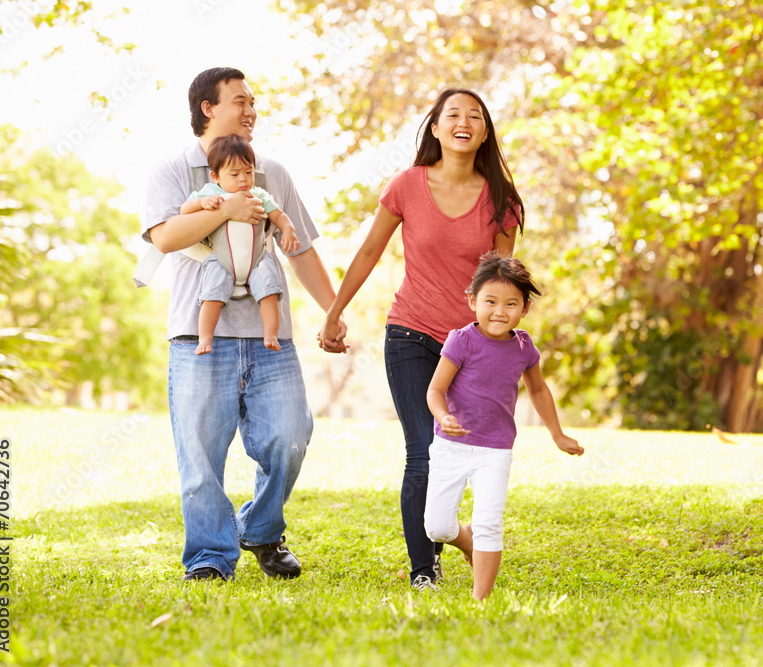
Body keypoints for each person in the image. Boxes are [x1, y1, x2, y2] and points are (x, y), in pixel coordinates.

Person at [142, 67, 347, 583]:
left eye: (254, 101)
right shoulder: (172, 169)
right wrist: (228, 207)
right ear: (208, 107)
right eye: (240, 101)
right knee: (201, 458)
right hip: (198, 335)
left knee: (290, 437)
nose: (251, 110)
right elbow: (165, 239)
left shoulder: (269, 171)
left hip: (268, 337)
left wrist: (333, 310)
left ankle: (259, 529)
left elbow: (299, 249)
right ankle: (210, 557)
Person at [318, 89, 521, 590]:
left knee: (456, 450)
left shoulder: (502, 201)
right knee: (423, 449)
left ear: (485, 132)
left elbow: (501, 281)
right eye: (453, 114)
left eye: (475, 116)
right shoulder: (407, 185)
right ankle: (423, 569)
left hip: (469, 347)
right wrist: (334, 312)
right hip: (410, 332)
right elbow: (368, 252)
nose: (464, 122)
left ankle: (460, 537)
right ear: (435, 128)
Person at [423, 252, 584, 600]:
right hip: (451, 446)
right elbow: (435, 390)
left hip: (495, 449)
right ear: (472, 301)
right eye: (491, 301)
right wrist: (443, 416)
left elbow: (538, 389)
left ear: (524, 308)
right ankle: (465, 540)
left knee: (489, 521)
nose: (500, 311)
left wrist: (558, 434)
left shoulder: (524, 347)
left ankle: (481, 599)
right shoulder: (461, 340)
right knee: (436, 525)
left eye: (511, 304)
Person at [180, 134, 301, 355]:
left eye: (248, 172)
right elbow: (184, 211)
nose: (243, 179)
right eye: (234, 174)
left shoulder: (259, 195)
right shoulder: (211, 193)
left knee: (270, 292)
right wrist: (201, 203)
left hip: (256, 259)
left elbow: (279, 215)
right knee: (211, 296)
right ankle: (205, 338)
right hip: (222, 260)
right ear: (215, 176)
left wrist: (289, 230)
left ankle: (271, 334)